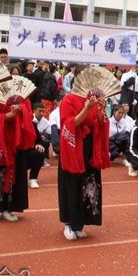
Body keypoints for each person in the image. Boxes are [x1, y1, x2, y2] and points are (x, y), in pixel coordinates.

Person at [58, 69, 110, 240]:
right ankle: (69, 223)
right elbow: (69, 125)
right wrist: (87, 108)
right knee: (72, 184)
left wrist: (101, 112)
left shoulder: (93, 99)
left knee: (88, 183)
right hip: (73, 147)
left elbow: (99, 123)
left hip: (89, 148)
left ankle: (81, 222)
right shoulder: (68, 100)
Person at [0, 83, 36, 223]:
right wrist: (8, 115)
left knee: (16, 173)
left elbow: (29, 114)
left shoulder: (23, 96)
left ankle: (9, 208)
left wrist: (21, 111)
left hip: (17, 139)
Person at [27, 103, 51, 189]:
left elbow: (43, 138)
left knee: (40, 151)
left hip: (30, 147)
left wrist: (38, 144)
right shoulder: (27, 119)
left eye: (43, 111)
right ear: (33, 111)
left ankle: (33, 178)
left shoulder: (42, 122)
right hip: (19, 149)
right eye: (39, 111)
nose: (41, 113)